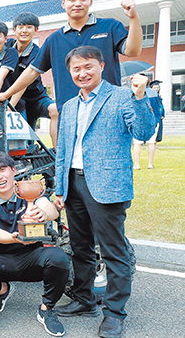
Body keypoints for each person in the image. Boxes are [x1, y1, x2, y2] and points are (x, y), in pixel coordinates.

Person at [53, 46, 156, 338]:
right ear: (70, 72)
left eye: (88, 66)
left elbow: (144, 133)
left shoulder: (122, 96)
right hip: (74, 183)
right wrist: (60, 188)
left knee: (114, 252)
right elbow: (63, 151)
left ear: (101, 66)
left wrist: (140, 96)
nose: (82, 73)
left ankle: (114, 313)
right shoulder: (70, 105)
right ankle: (85, 300)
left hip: (107, 186)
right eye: (76, 69)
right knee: (81, 247)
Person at [0, 151, 69, 337]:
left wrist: (43, 214)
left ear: (13, 171)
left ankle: (46, 308)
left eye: (2, 170)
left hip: (31, 257)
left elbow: (50, 209)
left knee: (58, 258)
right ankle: (2, 289)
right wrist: (14, 237)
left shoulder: (27, 188)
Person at [0, 0, 142, 112]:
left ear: (91, 2)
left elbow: (132, 51)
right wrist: (6, 94)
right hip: (69, 111)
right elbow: (32, 71)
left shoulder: (110, 27)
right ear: (63, 3)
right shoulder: (54, 39)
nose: (78, 3)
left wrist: (133, 19)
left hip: (107, 108)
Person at [0, 0, 59, 145]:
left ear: (36, 30)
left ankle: (56, 153)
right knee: (24, 144)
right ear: (14, 30)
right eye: (21, 27)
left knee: (55, 110)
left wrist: (10, 108)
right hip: (16, 99)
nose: (24, 31)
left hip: (34, 97)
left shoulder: (37, 53)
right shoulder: (7, 45)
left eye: (29, 27)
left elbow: (23, 83)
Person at [132, 79, 165, 169]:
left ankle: (137, 164)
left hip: (138, 121)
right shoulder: (153, 93)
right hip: (152, 121)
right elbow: (158, 108)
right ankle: (150, 164)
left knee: (137, 143)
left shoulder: (134, 92)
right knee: (151, 143)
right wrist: (157, 119)